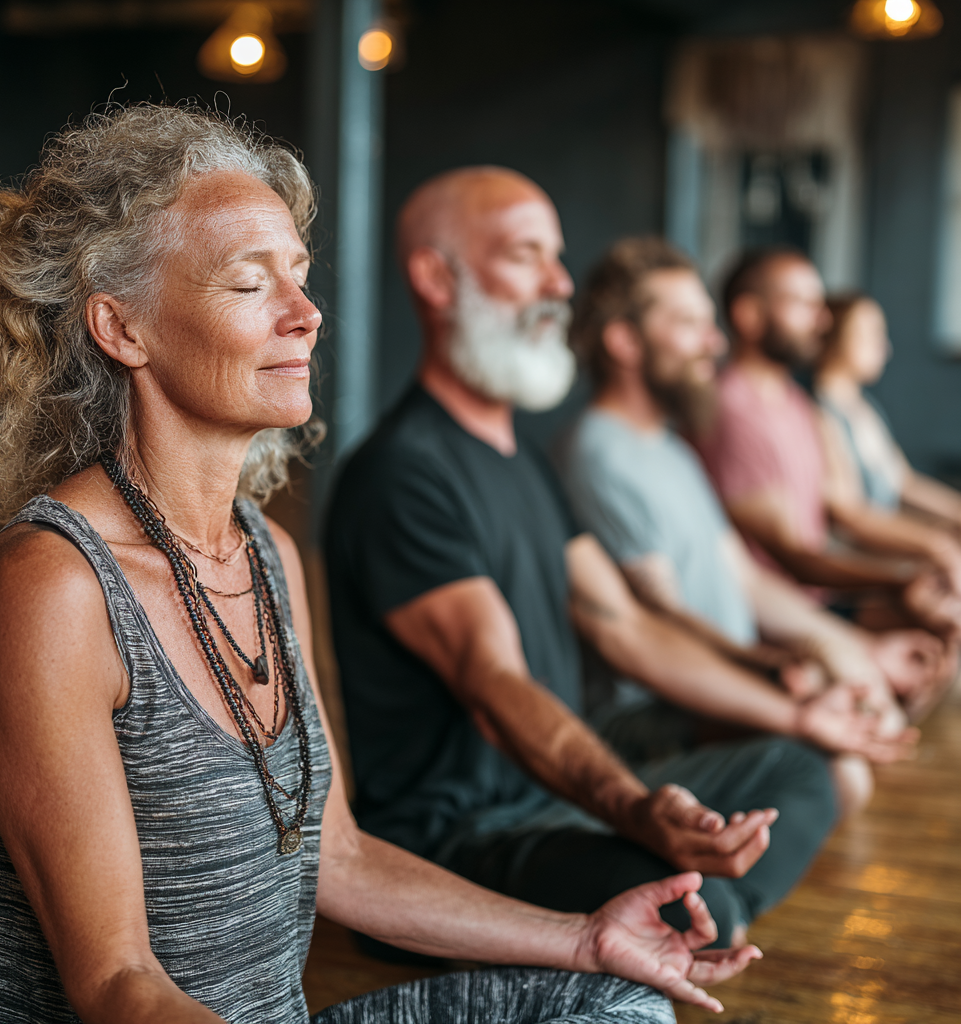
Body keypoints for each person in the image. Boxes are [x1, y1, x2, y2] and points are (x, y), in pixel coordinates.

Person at [0, 105, 760, 1024]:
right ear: (122, 329)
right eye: (250, 284)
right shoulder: (48, 588)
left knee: (622, 1001)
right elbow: (119, 985)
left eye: (299, 276)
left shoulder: (266, 552)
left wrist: (585, 937)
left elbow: (340, 859)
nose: (306, 314)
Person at [325, 167, 897, 956]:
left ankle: (705, 919)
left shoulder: (523, 459)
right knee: (690, 906)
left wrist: (794, 710)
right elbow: (496, 683)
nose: (560, 283)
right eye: (526, 255)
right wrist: (631, 807)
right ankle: (703, 920)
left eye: (557, 257)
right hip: (463, 838)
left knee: (803, 767)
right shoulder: (402, 473)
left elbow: (623, 622)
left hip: (557, 795)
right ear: (436, 277)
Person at [558, 237, 932, 811]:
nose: (714, 342)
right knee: (840, 772)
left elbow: (746, 579)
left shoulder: (669, 447)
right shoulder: (598, 454)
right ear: (624, 341)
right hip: (657, 709)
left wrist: (856, 648)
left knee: (867, 716)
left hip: (722, 679)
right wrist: (771, 668)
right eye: (690, 324)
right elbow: (658, 617)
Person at [697, 247, 961, 654]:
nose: (821, 320)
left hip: (819, 600)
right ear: (748, 315)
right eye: (802, 304)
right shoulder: (732, 410)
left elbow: (845, 505)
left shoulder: (795, 402)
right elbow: (796, 555)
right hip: (772, 624)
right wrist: (906, 575)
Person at [815, 291, 961, 530]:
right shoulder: (819, 413)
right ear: (833, 334)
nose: (885, 347)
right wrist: (933, 542)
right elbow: (850, 515)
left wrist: (956, 512)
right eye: (871, 334)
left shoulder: (865, 407)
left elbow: (903, 482)